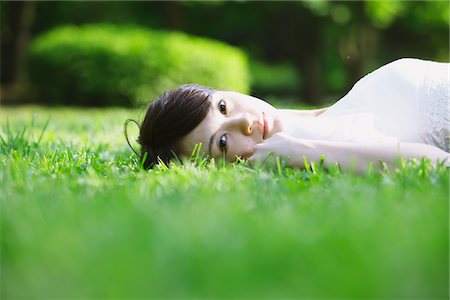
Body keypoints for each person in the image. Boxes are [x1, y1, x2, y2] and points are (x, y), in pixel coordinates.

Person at [126, 58, 449, 171]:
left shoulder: (333, 114)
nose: (245, 123)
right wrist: (299, 153)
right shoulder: (317, 143)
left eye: (223, 107)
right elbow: (437, 165)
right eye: (223, 142)